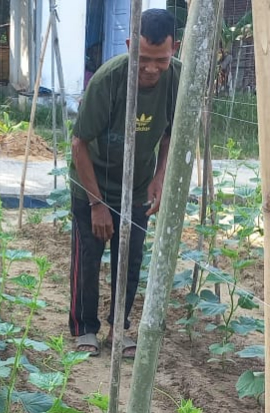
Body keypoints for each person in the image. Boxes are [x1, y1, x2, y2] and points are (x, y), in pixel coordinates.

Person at [68, 9, 180, 358]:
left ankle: (119, 327)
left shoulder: (176, 78)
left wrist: (159, 178)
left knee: (129, 257)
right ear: (131, 45)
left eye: (159, 60)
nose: (150, 68)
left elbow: (169, 135)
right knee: (89, 255)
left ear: (173, 49)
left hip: (137, 187)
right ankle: (84, 327)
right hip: (93, 180)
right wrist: (97, 204)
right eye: (143, 58)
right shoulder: (108, 80)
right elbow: (78, 144)